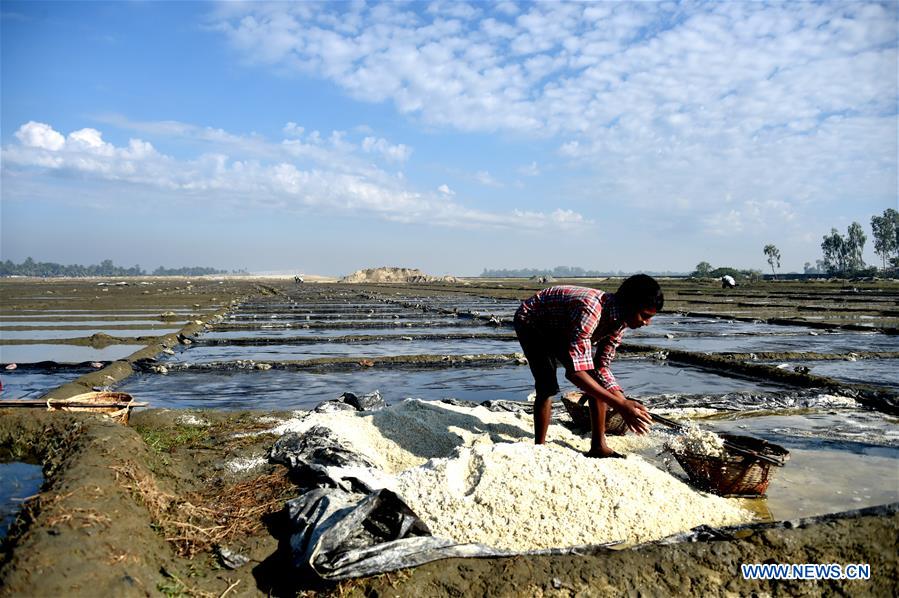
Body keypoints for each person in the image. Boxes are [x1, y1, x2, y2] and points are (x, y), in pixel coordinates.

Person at [513, 275, 663, 458]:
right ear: (630, 305)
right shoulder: (591, 309)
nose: (646, 323)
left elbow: (602, 366)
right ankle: (539, 448)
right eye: (645, 316)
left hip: (562, 325)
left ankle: (598, 446)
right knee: (547, 385)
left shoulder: (620, 321)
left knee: (595, 379)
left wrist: (621, 399)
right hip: (533, 321)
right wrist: (621, 405)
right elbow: (575, 373)